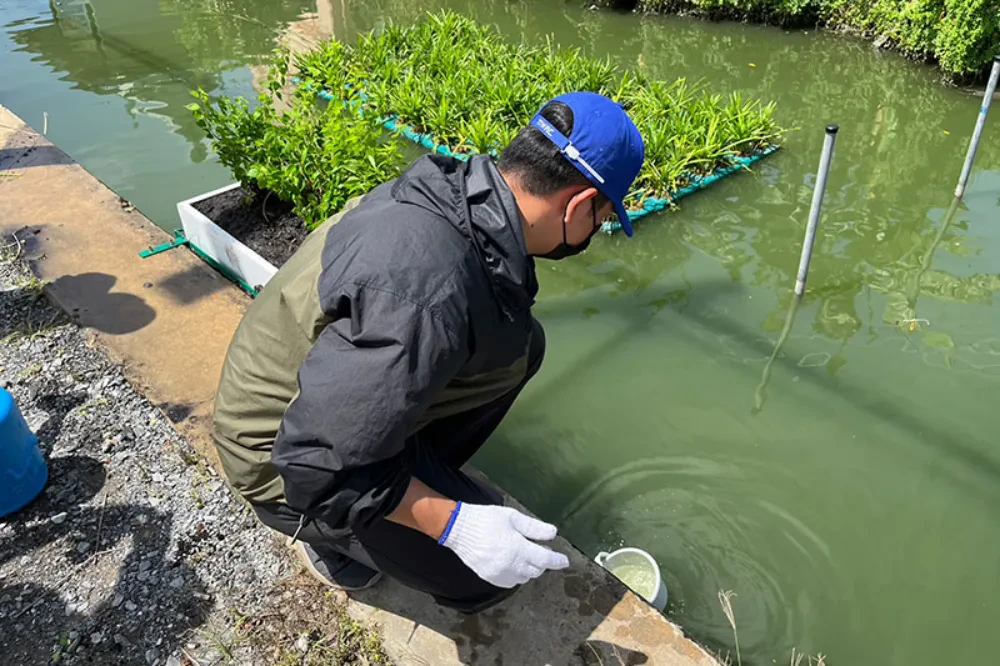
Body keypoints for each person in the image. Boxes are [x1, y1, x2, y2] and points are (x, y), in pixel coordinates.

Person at [211, 91, 644, 613]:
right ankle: (331, 541)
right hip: (279, 460)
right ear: (576, 204)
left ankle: (395, 465)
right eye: (600, 218)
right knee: (490, 577)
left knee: (520, 346)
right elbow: (312, 463)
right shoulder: (426, 289)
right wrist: (455, 525)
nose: (594, 231)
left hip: (323, 399)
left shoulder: (454, 192)